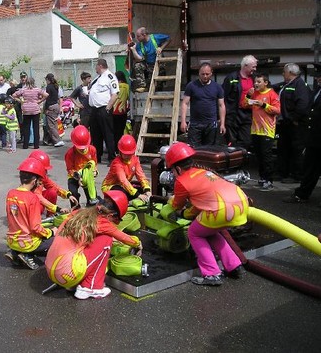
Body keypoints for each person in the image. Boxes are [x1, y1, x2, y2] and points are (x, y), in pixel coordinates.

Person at [162, 142, 248, 286]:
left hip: (220, 210)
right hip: (241, 203)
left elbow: (177, 205)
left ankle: (211, 274)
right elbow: (201, 203)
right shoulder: (203, 172)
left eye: (172, 170)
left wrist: (172, 203)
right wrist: (188, 214)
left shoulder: (182, 181)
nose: (172, 174)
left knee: (194, 233)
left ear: (177, 168)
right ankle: (234, 266)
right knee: (210, 232)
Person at [45, 190, 142, 299]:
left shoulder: (79, 213)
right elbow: (125, 238)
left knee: (85, 245)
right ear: (110, 215)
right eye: (115, 220)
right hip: (67, 274)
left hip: (51, 269)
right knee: (106, 239)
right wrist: (138, 243)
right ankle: (90, 288)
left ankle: (74, 284)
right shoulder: (103, 222)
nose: (114, 223)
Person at [5, 157, 56, 270]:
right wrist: (51, 232)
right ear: (34, 181)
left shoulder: (10, 194)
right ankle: (27, 255)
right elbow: (35, 227)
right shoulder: (32, 198)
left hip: (11, 240)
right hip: (27, 244)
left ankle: (15, 252)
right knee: (57, 238)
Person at [283, 66, 321, 203]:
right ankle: (302, 194)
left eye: (319, 76)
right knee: (310, 167)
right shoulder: (317, 91)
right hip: (314, 136)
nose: (316, 78)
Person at [241, 73, 280, 191]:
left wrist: (264, 105)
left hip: (267, 130)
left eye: (259, 82)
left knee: (266, 156)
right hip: (255, 130)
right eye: (255, 82)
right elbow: (244, 105)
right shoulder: (255, 94)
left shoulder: (272, 94)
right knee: (259, 156)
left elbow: (277, 110)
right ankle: (262, 178)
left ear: (266, 83)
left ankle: (269, 180)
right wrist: (248, 95)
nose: (256, 84)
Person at [275, 63, 311, 183]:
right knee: (283, 148)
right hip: (286, 124)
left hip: (296, 125)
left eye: (284, 72)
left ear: (290, 73)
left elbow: (302, 105)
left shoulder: (300, 85)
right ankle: (283, 173)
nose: (283, 74)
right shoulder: (287, 84)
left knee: (296, 150)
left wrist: (294, 119)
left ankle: (296, 176)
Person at [180, 62, 226, 147]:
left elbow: (221, 105)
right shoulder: (191, 86)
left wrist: (222, 124)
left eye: (207, 74)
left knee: (209, 151)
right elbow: (185, 103)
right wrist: (183, 121)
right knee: (194, 150)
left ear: (211, 73)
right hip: (195, 124)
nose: (205, 76)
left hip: (211, 124)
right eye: (202, 74)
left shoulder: (217, 87)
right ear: (199, 73)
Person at [101, 134, 151, 203]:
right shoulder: (117, 163)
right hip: (110, 186)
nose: (127, 156)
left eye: (130, 154)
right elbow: (123, 180)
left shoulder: (135, 160)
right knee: (122, 193)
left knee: (141, 188)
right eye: (125, 154)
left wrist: (147, 190)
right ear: (120, 152)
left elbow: (141, 175)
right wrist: (138, 195)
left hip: (123, 186)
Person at [222, 55, 257, 149]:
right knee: (231, 143)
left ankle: (242, 159)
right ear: (245, 66)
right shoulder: (231, 78)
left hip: (248, 114)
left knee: (247, 141)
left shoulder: (255, 78)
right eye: (253, 66)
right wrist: (222, 117)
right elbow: (223, 98)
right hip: (233, 114)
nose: (255, 69)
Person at [29, 149, 78, 215]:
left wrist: (68, 195)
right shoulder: (30, 181)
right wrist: (57, 209)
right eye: (44, 169)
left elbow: (53, 186)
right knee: (39, 207)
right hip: (30, 203)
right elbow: (39, 198)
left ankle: (50, 215)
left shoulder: (41, 176)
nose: (46, 171)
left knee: (52, 192)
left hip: (36, 200)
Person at [88, 59, 119, 165]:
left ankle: (111, 157)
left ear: (100, 66)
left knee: (108, 134)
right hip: (94, 110)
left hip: (103, 109)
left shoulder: (110, 77)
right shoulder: (97, 78)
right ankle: (97, 156)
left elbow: (115, 94)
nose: (95, 68)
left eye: (96, 66)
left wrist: (108, 108)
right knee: (96, 134)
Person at [64, 125, 99, 207]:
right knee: (73, 193)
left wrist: (95, 172)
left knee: (92, 197)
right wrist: (78, 178)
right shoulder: (70, 154)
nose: (82, 149)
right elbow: (70, 169)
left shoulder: (92, 150)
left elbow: (94, 164)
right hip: (74, 176)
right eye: (80, 147)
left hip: (87, 176)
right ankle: (75, 209)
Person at [128, 27, 171, 91]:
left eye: (138, 36)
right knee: (137, 65)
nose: (137, 38)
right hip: (148, 65)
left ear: (144, 35)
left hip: (158, 64)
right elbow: (139, 59)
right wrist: (133, 50)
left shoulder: (155, 38)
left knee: (157, 86)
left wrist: (161, 48)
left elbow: (169, 38)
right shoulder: (140, 45)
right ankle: (142, 86)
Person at [12, 76, 48, 149]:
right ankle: (36, 145)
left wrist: (21, 101)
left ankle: (25, 145)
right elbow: (46, 95)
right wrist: (40, 101)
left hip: (26, 110)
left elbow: (14, 95)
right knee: (36, 128)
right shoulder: (37, 89)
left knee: (26, 128)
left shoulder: (23, 90)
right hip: (35, 109)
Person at [42, 73, 64, 147]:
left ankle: (57, 140)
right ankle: (57, 139)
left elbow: (47, 98)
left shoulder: (48, 87)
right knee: (54, 124)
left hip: (51, 107)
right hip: (56, 106)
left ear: (48, 79)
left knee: (51, 125)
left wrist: (46, 108)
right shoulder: (56, 86)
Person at [112, 71, 130, 151]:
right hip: (123, 112)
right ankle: (121, 148)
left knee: (114, 132)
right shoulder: (127, 86)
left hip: (114, 112)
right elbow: (129, 98)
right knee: (121, 131)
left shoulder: (114, 86)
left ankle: (115, 148)